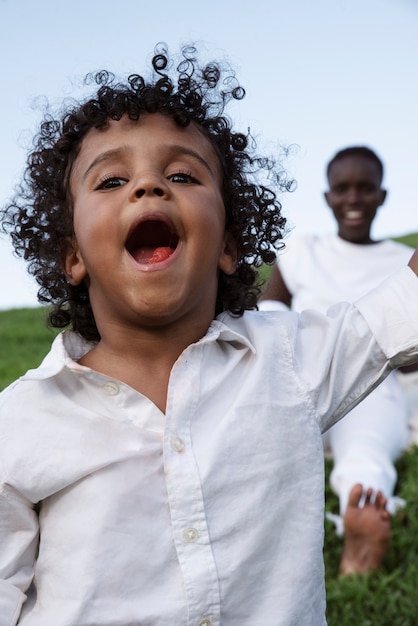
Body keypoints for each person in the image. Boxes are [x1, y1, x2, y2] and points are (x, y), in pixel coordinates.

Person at [1, 46, 418, 626]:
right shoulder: (21, 421)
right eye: (113, 179)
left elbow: (404, 308)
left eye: (181, 174)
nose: (148, 186)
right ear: (73, 255)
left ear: (227, 246)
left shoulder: (287, 358)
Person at [260, 145, 417, 576]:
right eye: (342, 189)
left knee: (366, 412)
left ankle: (361, 506)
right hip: (298, 373)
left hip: (375, 382)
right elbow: (270, 313)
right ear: (327, 196)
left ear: (382, 196)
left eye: (365, 189)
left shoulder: (401, 263)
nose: (353, 199)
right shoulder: (300, 252)